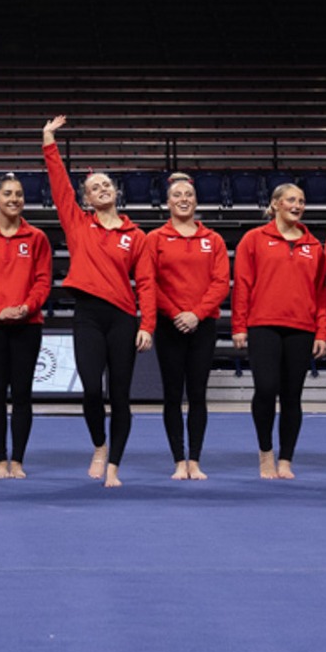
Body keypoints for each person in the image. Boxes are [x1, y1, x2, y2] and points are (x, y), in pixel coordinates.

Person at [42, 116, 147, 489]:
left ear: (115, 192)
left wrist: (147, 324)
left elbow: (146, 282)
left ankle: (115, 465)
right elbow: (59, 185)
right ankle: (99, 446)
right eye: (93, 187)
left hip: (122, 318)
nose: (101, 189)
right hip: (87, 315)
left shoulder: (135, 235)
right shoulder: (78, 223)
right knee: (90, 389)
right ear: (86, 199)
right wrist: (49, 141)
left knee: (120, 394)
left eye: (105, 184)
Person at [231, 183, 326, 479]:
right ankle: (265, 453)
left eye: (301, 200)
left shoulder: (314, 246)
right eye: (291, 200)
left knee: (292, 396)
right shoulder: (254, 239)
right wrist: (239, 326)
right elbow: (243, 284)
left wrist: (322, 332)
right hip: (264, 326)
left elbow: (320, 293)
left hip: (301, 328)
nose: (297, 205)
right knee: (266, 389)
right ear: (275, 204)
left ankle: (286, 458)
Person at [137, 172, 231, 480]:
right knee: (173, 394)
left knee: (199, 393)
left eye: (188, 195)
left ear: (196, 201)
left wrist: (197, 314)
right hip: (169, 325)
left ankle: (196, 460)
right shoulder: (155, 239)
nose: (183, 200)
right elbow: (149, 283)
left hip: (202, 325)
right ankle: (179, 459)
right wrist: (177, 312)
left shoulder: (213, 239)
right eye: (177, 195)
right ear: (168, 202)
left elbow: (220, 284)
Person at [0, 172, 52, 479]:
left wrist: (27, 307)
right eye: (7, 194)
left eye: (18, 194)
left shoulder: (37, 238)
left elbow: (43, 281)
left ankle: (18, 460)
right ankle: (0, 460)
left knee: (23, 394)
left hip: (28, 325)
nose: (14, 199)